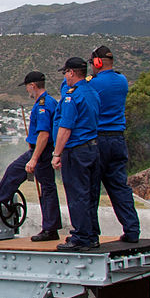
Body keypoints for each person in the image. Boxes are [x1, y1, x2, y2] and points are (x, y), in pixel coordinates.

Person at [0, 71, 62, 241]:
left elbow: (44, 134)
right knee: (47, 188)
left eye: (27, 88)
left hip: (41, 151)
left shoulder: (43, 105)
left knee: (17, 172)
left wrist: (34, 158)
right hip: (41, 150)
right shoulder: (49, 102)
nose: (27, 92)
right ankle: (51, 228)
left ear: (33, 86)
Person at [86, 46, 141, 243]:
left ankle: (91, 234)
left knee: (91, 188)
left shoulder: (93, 84)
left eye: (92, 63)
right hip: (118, 138)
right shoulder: (122, 80)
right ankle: (132, 230)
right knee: (119, 188)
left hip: (98, 139)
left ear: (97, 62)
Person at [51, 57, 102, 252]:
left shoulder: (72, 96)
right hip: (92, 148)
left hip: (76, 150)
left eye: (65, 73)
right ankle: (91, 234)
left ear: (71, 73)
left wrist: (57, 153)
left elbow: (65, 127)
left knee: (77, 194)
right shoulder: (92, 92)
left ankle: (81, 237)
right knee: (90, 194)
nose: (65, 76)